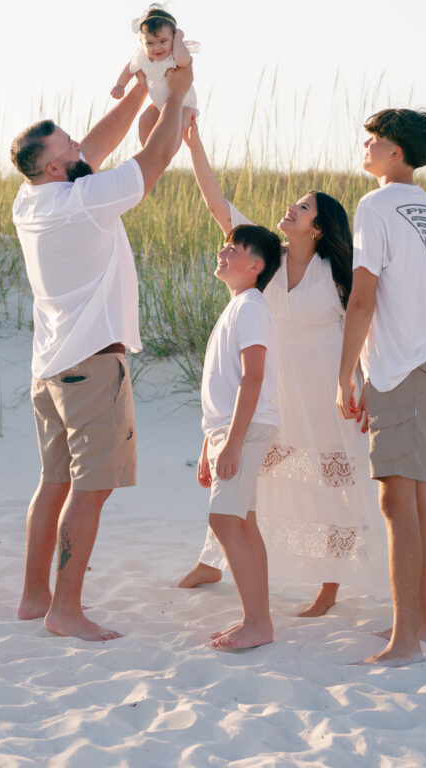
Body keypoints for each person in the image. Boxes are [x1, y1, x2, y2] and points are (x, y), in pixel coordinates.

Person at [11, 64, 192, 642]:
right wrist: (176, 96)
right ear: (59, 168)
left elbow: (93, 146)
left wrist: (141, 86)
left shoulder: (31, 197)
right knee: (91, 490)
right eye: (68, 144)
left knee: (54, 483)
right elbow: (155, 159)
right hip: (91, 367)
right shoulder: (83, 200)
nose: (79, 144)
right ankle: (65, 609)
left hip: (50, 371)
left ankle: (34, 595)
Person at [178, 123, 386, 616]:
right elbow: (218, 207)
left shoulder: (337, 272)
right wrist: (195, 146)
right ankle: (216, 562)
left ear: (318, 227)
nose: (292, 207)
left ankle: (329, 587)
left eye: (304, 206)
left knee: (333, 488)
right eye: (295, 202)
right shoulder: (265, 261)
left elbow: (365, 327)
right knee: (253, 478)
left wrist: (363, 385)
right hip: (271, 386)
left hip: (326, 392)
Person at [337, 107, 426, 666]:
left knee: (395, 500)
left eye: (374, 139)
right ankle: (421, 623)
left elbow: (363, 297)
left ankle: (405, 640)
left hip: (401, 367)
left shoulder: (376, 204)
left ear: (396, 153)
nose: (366, 145)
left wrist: (345, 372)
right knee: (419, 493)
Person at [199, 223, 282, 650]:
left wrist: (231, 442)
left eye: (234, 248)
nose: (223, 251)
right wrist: (208, 446)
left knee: (224, 520)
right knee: (244, 523)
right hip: (230, 431)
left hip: (245, 431)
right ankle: (259, 618)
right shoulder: (237, 306)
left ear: (256, 266)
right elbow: (226, 384)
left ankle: (257, 623)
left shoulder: (251, 306)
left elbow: (253, 378)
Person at [112, 4, 199, 146]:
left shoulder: (174, 54)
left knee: (174, 130)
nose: (157, 47)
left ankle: (165, 153)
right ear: (141, 42)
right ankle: (147, 152)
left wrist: (178, 40)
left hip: (183, 105)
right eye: (150, 43)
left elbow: (184, 62)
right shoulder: (142, 58)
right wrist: (120, 85)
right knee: (145, 120)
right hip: (161, 105)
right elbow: (129, 69)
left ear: (173, 36)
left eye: (163, 41)